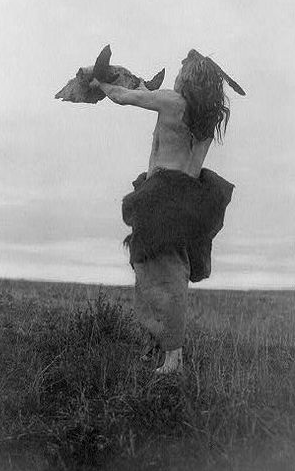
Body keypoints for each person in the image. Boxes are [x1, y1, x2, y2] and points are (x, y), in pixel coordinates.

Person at [89, 49, 242, 374]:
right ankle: (159, 347)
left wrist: (99, 80)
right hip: (189, 199)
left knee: (165, 276)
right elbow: (145, 93)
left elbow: (122, 96)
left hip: (163, 196)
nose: (176, 74)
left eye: (181, 70)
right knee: (158, 271)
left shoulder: (173, 101)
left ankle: (173, 358)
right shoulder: (206, 117)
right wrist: (142, 85)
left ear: (188, 77)